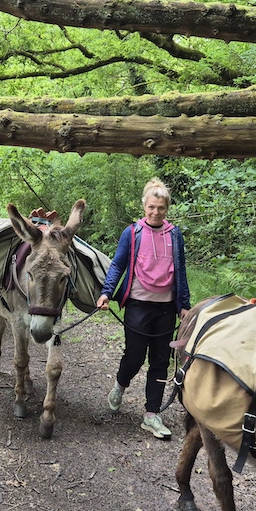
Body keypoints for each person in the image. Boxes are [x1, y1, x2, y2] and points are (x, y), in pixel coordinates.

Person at [96, 179, 191, 440]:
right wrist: (106, 293)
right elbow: (117, 265)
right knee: (135, 356)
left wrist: (184, 306)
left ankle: (152, 414)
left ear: (167, 208)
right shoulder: (132, 233)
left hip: (165, 308)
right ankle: (120, 384)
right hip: (138, 304)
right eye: (151, 207)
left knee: (160, 360)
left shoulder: (174, 234)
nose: (156, 212)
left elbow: (181, 272)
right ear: (144, 206)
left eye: (161, 207)